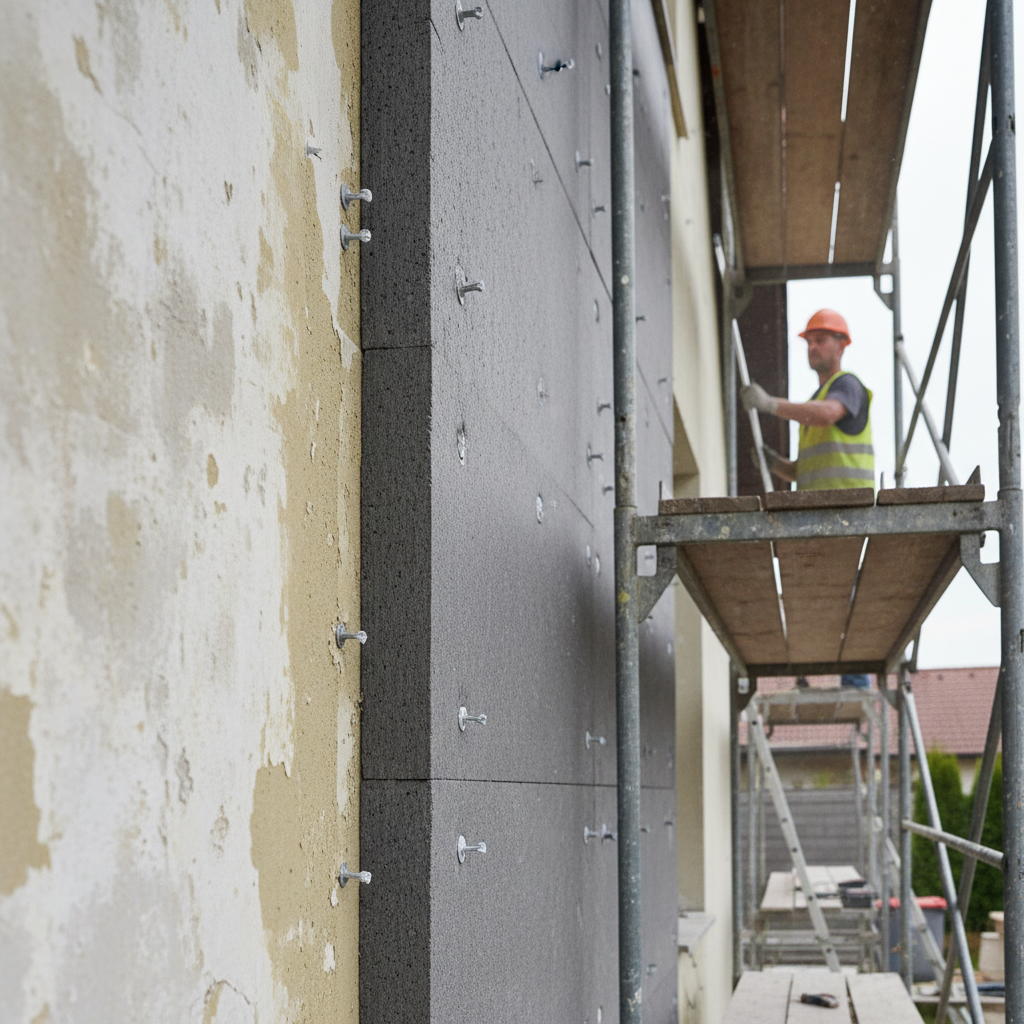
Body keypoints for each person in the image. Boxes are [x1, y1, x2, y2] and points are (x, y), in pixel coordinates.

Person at [740, 308, 874, 689]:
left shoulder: (846, 386)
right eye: (809, 341)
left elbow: (827, 415)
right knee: (818, 597)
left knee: (842, 595)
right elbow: (805, 470)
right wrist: (775, 463)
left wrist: (771, 405)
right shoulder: (819, 397)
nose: (812, 347)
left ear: (842, 345)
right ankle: (818, 674)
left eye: (820, 340)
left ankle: (856, 682)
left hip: (846, 511)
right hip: (820, 513)